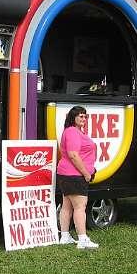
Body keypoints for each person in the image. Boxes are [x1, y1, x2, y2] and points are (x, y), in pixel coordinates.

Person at [57, 105, 99, 250]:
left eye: (85, 116)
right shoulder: (72, 132)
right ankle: (82, 239)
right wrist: (86, 174)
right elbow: (73, 155)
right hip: (74, 175)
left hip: (66, 174)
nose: (83, 118)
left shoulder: (73, 132)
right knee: (80, 207)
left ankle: (65, 236)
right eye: (80, 116)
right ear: (72, 117)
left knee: (67, 206)